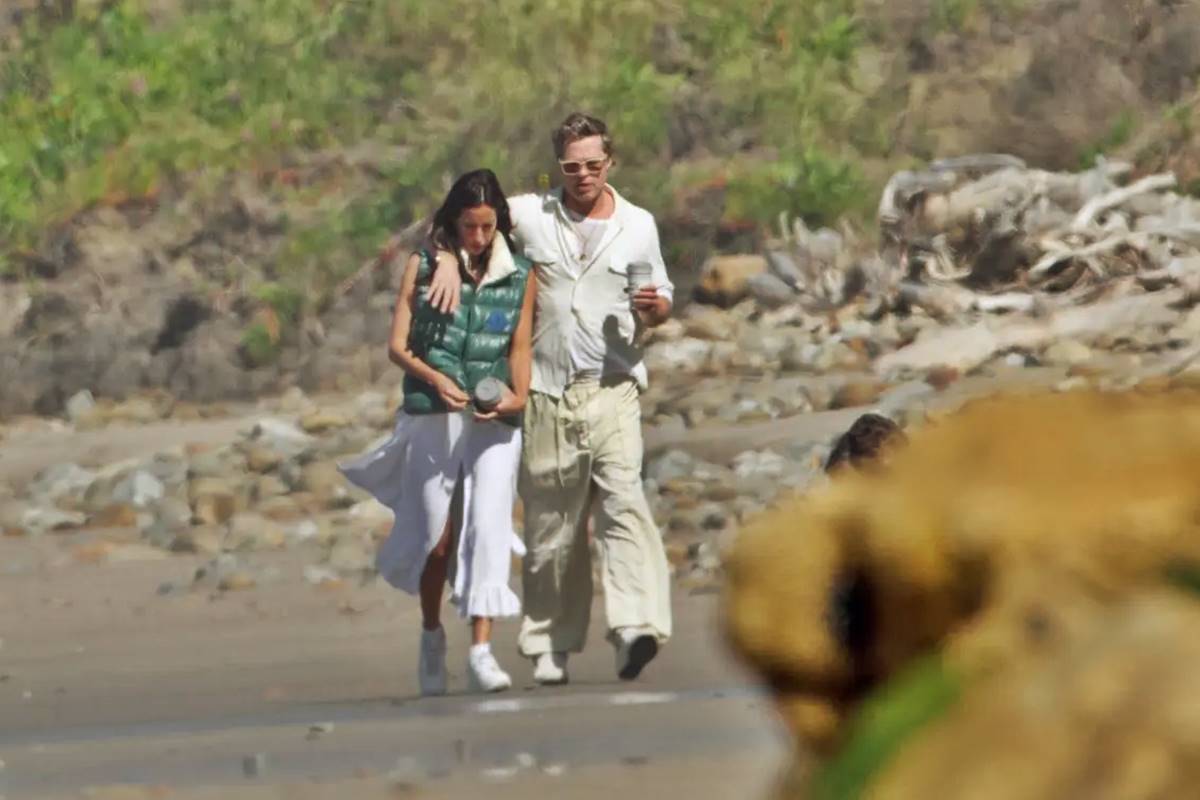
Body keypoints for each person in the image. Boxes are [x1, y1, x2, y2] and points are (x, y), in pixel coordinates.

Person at [426, 112, 674, 685]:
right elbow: (468, 217)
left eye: (593, 164)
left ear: (610, 162)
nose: (583, 175)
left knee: (623, 503)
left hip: (613, 385)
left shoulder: (638, 224)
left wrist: (657, 309)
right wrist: (445, 256)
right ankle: (548, 643)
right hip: (544, 390)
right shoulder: (530, 214)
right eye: (571, 166)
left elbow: (661, 295)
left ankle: (635, 628)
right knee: (551, 527)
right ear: (558, 166)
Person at [340, 169, 536, 696]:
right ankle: (431, 636)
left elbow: (520, 346)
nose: (479, 237)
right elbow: (397, 347)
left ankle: (481, 652)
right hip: (434, 412)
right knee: (437, 539)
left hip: (495, 418)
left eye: (487, 227)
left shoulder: (520, 273)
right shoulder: (424, 265)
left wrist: (518, 396)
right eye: (469, 226)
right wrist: (436, 379)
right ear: (453, 222)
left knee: (489, 526)